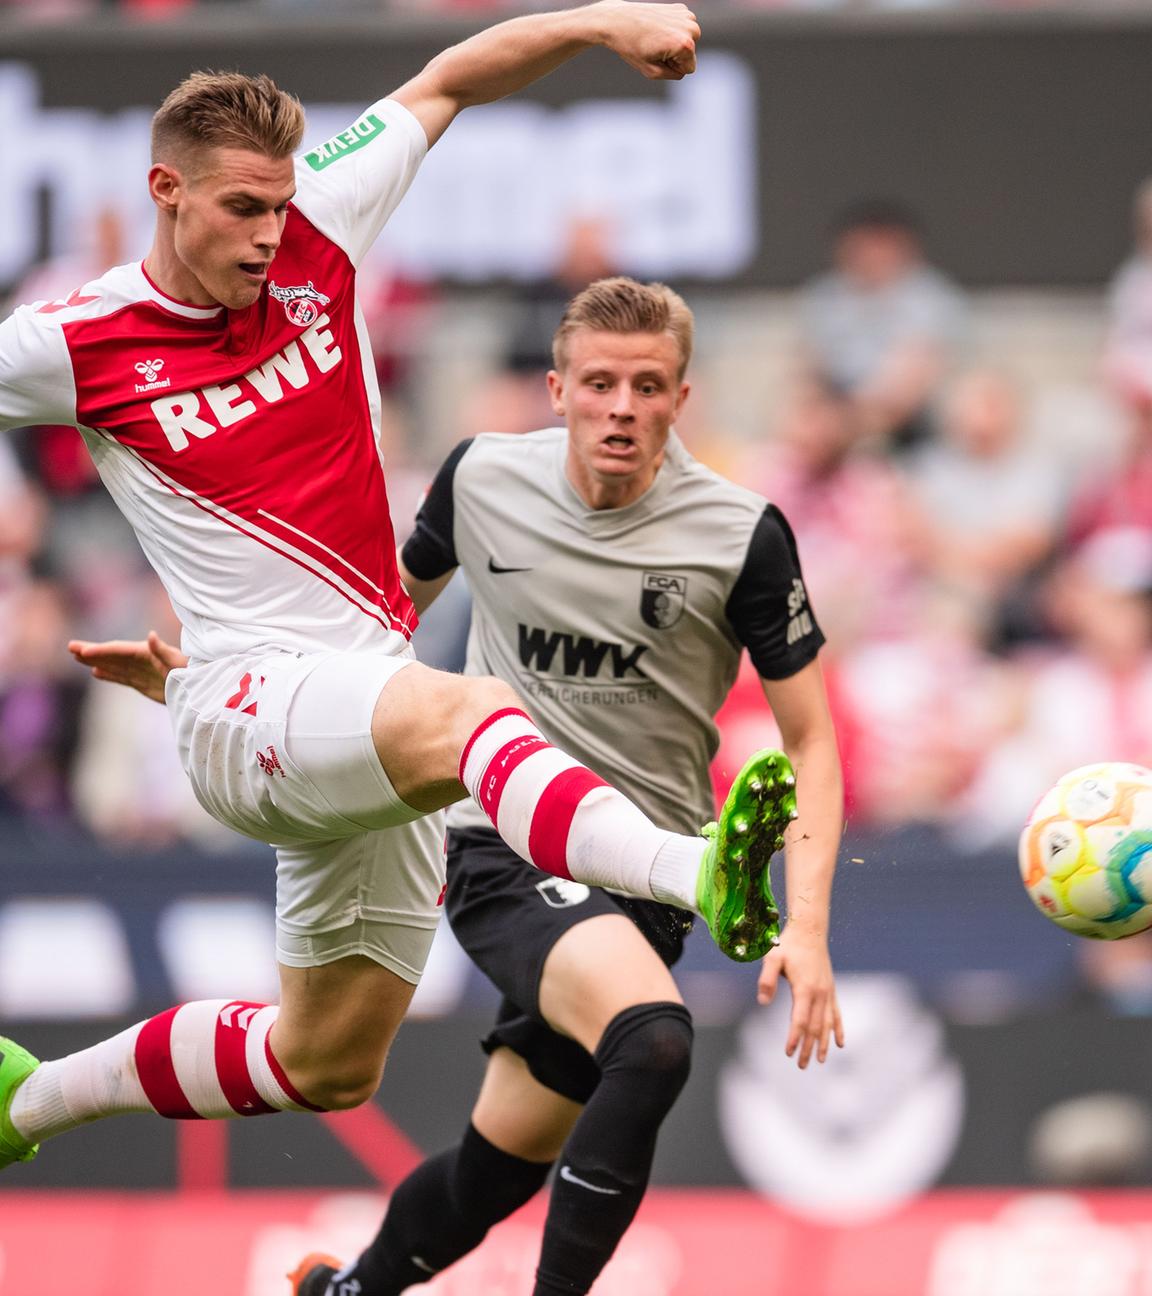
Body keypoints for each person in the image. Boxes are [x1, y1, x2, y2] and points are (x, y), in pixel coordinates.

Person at [0, 4, 796, 1181]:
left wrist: (604, 22)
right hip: (244, 704)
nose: (272, 233)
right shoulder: (73, 342)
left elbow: (449, 78)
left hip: (356, 710)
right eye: (241, 209)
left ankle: (25, 1105)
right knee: (468, 710)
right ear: (166, 188)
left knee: (327, 1064)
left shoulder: (322, 221)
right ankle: (694, 869)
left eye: (280, 204)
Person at [73, 277, 845, 1296]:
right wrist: (210, 686)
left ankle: (346, 1291)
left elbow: (812, 742)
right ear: (556, 388)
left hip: (654, 878)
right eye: (601, 383)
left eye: (648, 386)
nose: (623, 406)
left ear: (681, 400)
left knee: (497, 1170)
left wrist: (811, 929)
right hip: (505, 842)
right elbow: (364, 631)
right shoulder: (482, 478)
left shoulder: (740, 534)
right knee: (653, 1040)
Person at [798, 200, 967, 455]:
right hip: (837, 415)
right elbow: (812, 368)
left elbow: (915, 378)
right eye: (864, 244)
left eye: (882, 244)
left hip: (914, 427)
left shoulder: (931, 299)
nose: (872, 254)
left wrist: (863, 419)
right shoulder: (823, 297)